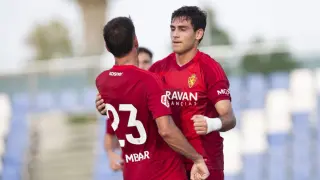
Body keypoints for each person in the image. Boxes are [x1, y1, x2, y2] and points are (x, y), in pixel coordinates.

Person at [96, 6, 237, 180]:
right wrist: (106, 105)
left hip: (204, 163)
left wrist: (211, 123)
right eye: (172, 29)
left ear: (198, 34)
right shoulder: (158, 70)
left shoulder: (209, 69)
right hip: (170, 164)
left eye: (182, 29)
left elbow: (229, 118)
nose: (175, 34)